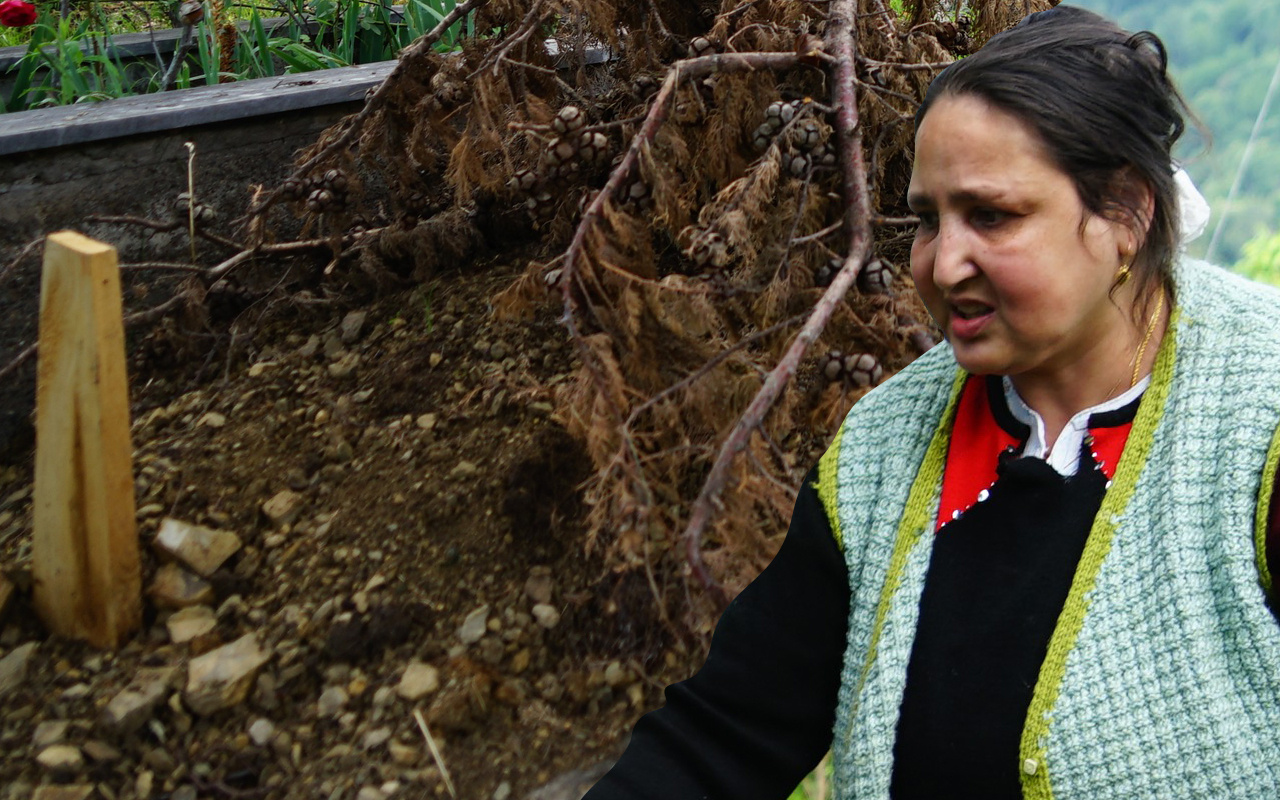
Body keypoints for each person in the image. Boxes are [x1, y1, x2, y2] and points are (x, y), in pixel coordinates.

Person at [582, 6, 1280, 800]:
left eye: (992, 215)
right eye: (926, 220)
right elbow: (728, 733)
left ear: (1125, 212)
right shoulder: (885, 449)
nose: (944, 265)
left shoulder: (1259, 413)